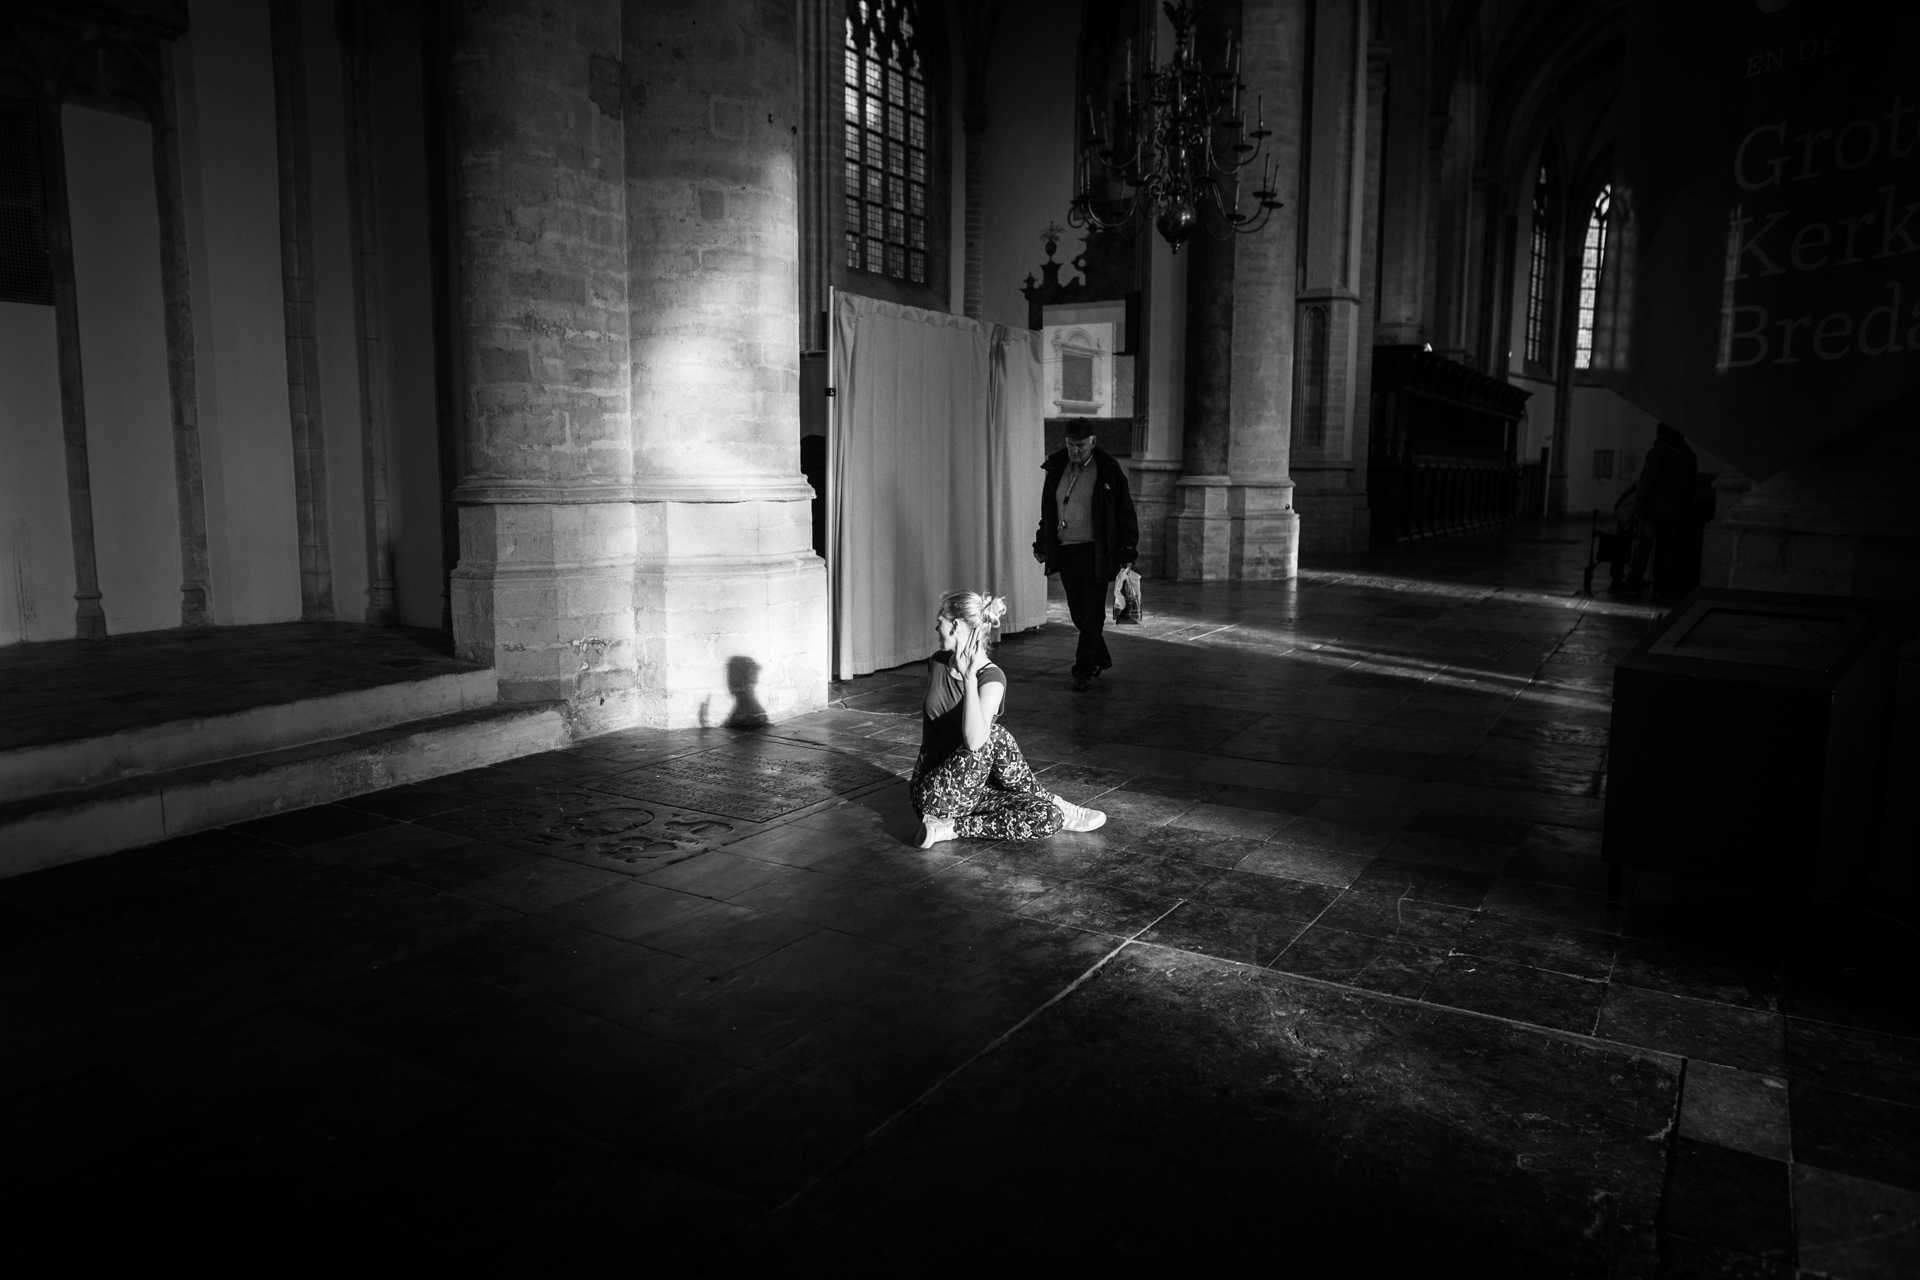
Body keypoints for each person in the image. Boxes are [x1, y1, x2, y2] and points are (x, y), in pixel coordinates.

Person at [910, 591, 1107, 848]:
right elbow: (976, 742)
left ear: (955, 624)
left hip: (977, 794)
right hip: (933, 794)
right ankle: (1049, 797)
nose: (937, 627)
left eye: (940, 621)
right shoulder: (937, 663)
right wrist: (965, 677)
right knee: (994, 735)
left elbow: (973, 742)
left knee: (1049, 817)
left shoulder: (992, 679)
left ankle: (950, 828)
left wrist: (970, 679)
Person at [1033, 427, 1138, 691]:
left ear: (1093, 442)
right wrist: (1042, 543)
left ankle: (1082, 669)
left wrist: (1127, 551)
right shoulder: (1057, 467)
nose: (1074, 451)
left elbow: (1125, 513)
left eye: (1080, 445)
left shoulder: (1108, 470)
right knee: (1079, 614)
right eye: (1070, 445)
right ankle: (1101, 657)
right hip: (1067, 551)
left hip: (1096, 552)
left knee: (1092, 614)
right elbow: (1049, 511)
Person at [1619, 422, 1699, 603]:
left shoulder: (1657, 454)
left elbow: (1648, 484)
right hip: (1675, 513)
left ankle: (1634, 582)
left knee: (1642, 550)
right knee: (1666, 551)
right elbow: (1690, 486)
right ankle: (1662, 585)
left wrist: (1638, 508)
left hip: (1652, 512)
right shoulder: (1689, 456)